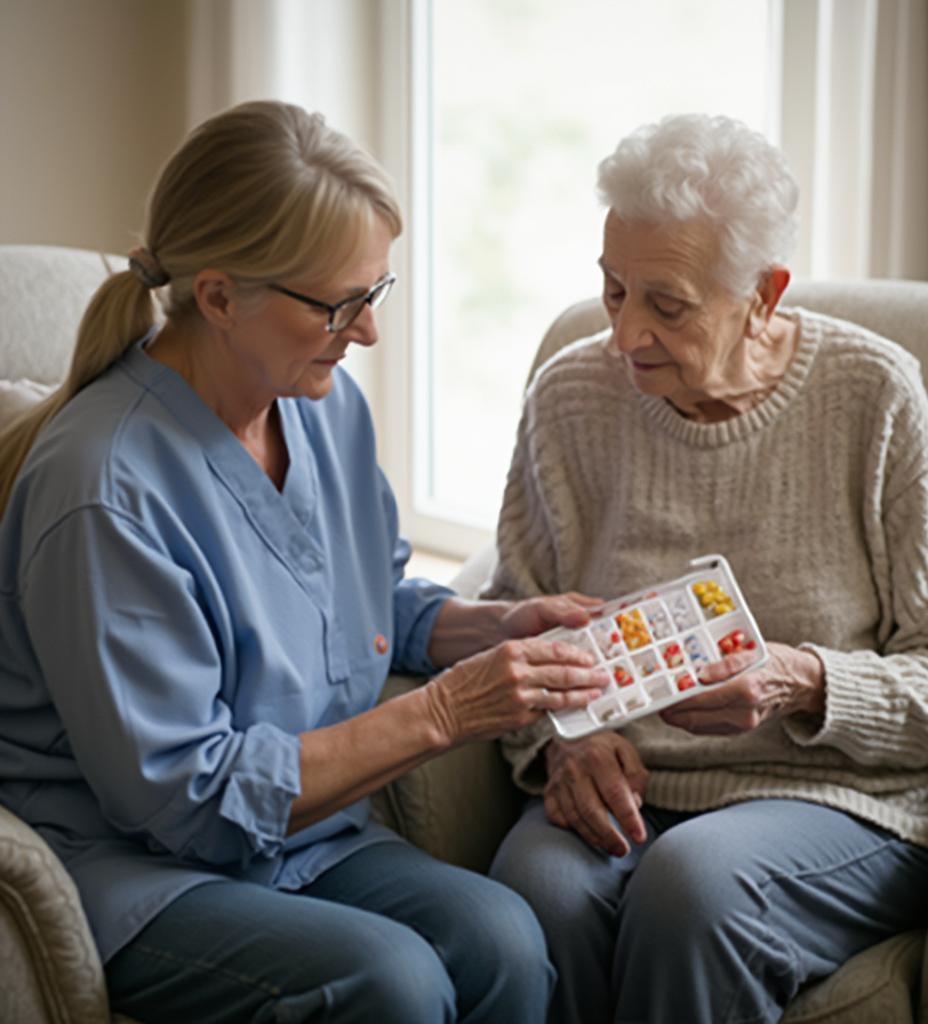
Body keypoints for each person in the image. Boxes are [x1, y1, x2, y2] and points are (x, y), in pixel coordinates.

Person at [0, 100, 611, 1024]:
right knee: (389, 982)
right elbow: (186, 799)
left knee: (506, 938)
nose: (366, 332)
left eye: (377, 293)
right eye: (341, 304)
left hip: (305, 836)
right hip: (138, 865)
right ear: (217, 297)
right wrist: (451, 708)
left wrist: (493, 625)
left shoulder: (323, 405)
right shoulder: (103, 487)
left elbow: (354, 601)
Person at [483, 113, 928, 1024]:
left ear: (765, 294)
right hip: (630, 788)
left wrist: (802, 682)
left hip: (841, 802)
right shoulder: (571, 397)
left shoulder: (873, 393)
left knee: (693, 886)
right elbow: (513, 629)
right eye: (612, 291)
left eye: (667, 304)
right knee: (534, 896)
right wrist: (562, 743)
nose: (624, 335)